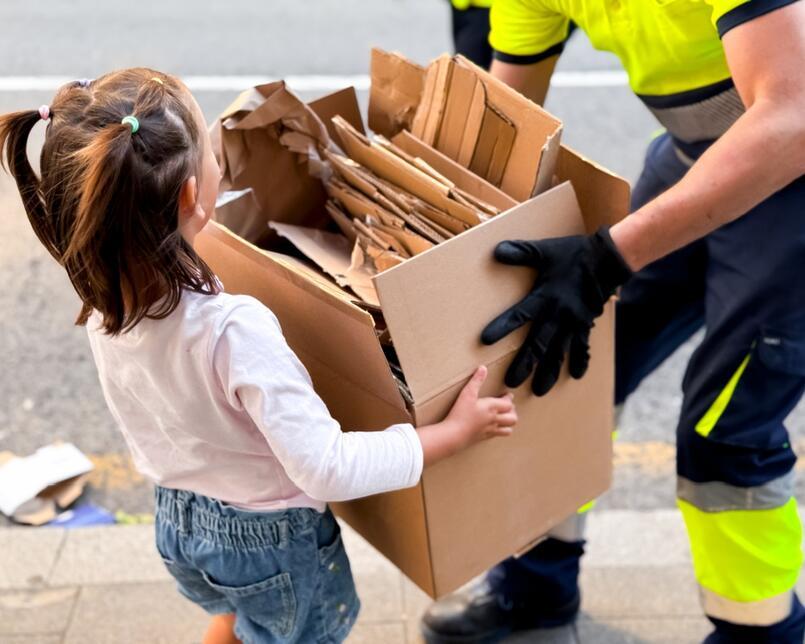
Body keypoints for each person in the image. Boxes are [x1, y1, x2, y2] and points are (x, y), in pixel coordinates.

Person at [0, 68, 519, 644]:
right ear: (195, 195)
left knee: (241, 619)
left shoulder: (103, 309)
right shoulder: (233, 330)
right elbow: (324, 466)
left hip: (180, 524)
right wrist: (453, 435)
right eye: (210, 148)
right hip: (270, 544)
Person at [421, 1, 805, 643]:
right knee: (563, 362)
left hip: (793, 164)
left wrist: (606, 257)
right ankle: (535, 589)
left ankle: (762, 635)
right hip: (701, 154)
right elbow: (505, 122)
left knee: (724, 431)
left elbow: (790, 117)